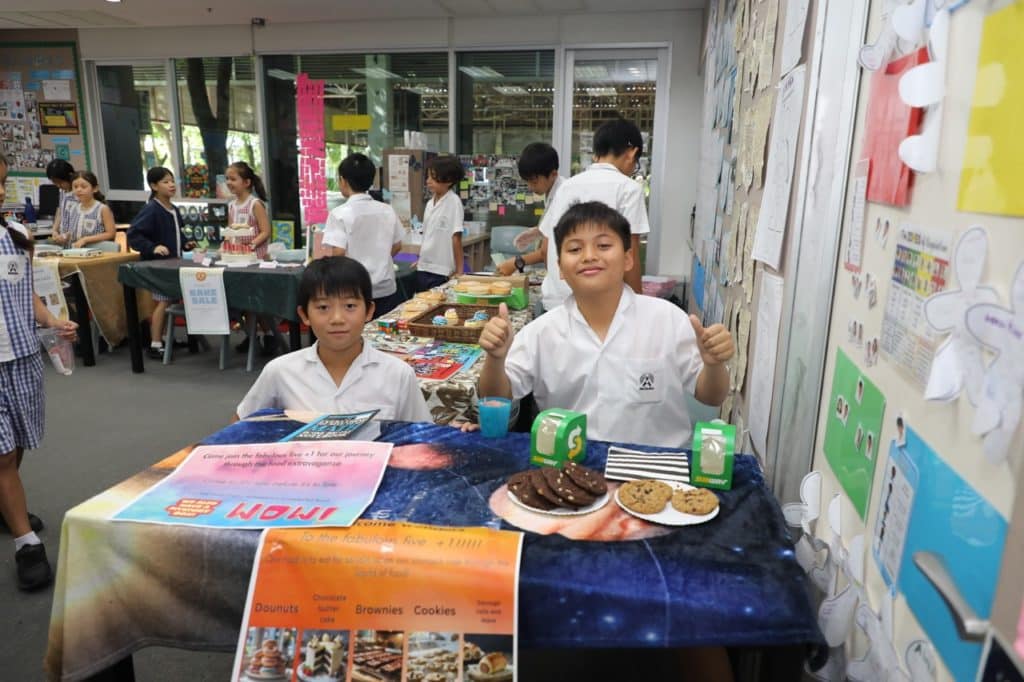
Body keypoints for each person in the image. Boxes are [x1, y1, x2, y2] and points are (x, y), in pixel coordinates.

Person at [478, 202, 735, 450]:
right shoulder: (541, 332)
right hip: (571, 467)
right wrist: (495, 359)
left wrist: (713, 366)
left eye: (603, 245)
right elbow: (497, 397)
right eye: (575, 249)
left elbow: (710, 396)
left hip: (656, 467)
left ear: (628, 259)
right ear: (560, 269)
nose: (589, 256)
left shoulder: (668, 319)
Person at [0, 152, 78, 590]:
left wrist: (53, 321)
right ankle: (26, 543)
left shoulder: (16, 236)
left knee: (17, 442)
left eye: (2, 182)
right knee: (2, 454)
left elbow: (25, 293)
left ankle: (6, 503)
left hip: (23, 356)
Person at [236, 256, 432, 422]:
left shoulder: (398, 375)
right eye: (323, 307)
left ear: (369, 311)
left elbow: (424, 439)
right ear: (304, 315)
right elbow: (240, 425)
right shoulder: (280, 372)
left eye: (350, 306)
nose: (337, 319)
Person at [537, 118, 650, 311]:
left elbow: (547, 246)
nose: (633, 169)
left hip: (556, 299)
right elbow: (630, 253)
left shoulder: (566, 187)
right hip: (599, 303)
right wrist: (638, 306)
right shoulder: (628, 188)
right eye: (636, 164)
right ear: (632, 153)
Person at [323, 153, 405, 318]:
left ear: (343, 181)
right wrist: (379, 258)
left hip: (354, 290)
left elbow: (338, 253)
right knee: (384, 331)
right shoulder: (387, 210)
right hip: (386, 288)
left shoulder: (339, 214)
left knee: (359, 332)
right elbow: (397, 245)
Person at [127, 167, 194, 360]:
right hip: (159, 266)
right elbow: (134, 235)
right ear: (154, 186)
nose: (171, 185)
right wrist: (153, 247)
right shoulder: (152, 209)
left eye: (172, 181)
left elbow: (177, 233)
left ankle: (165, 338)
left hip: (173, 264)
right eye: (165, 182)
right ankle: (155, 344)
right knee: (164, 301)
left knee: (169, 300)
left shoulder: (173, 209)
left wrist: (186, 244)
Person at [225, 161, 277, 355]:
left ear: (246, 182)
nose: (229, 183)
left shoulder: (255, 204)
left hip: (257, 260)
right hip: (237, 260)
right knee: (242, 299)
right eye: (227, 179)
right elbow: (231, 230)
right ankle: (251, 335)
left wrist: (252, 244)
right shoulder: (231, 206)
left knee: (257, 301)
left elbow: (266, 231)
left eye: (233, 179)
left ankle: (270, 335)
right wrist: (227, 244)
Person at [495, 143, 563, 277]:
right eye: (527, 181)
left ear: (553, 174)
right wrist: (539, 232)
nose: (530, 187)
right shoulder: (552, 191)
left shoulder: (562, 195)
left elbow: (545, 251)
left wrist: (515, 263)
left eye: (534, 181)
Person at [415, 156, 464, 291]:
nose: (428, 181)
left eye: (433, 177)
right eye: (428, 177)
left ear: (449, 180)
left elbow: (456, 237)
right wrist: (421, 259)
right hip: (423, 268)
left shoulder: (454, 202)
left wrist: (459, 271)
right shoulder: (430, 203)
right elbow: (427, 236)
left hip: (442, 270)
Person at [58, 171, 116, 248]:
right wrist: (65, 236)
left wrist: (86, 240)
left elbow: (111, 234)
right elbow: (73, 232)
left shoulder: (102, 209)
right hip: (75, 252)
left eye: (83, 187)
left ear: (95, 188)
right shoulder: (73, 208)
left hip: (95, 252)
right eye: (75, 187)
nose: (79, 190)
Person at [45, 159, 77, 245]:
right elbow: (60, 211)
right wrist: (54, 230)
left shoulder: (79, 192)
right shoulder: (62, 191)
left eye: (60, 182)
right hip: (65, 239)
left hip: (77, 238)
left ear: (70, 176)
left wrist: (66, 236)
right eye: (55, 183)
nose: (58, 185)